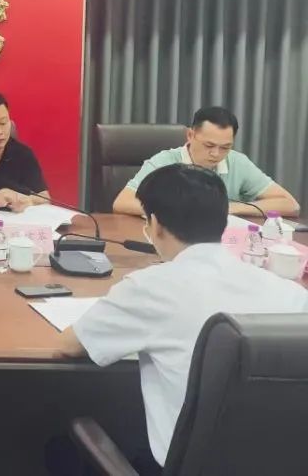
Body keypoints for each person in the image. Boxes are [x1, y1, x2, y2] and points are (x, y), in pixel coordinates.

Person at [56, 164, 308, 471]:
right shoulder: (290, 294)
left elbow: (70, 345)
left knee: (61, 450)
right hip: (281, 463)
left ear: (155, 225)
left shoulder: (150, 287)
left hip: (186, 466)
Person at [112, 106, 300, 217]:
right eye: (209, 145)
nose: (216, 154)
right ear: (190, 135)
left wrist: (229, 208)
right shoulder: (165, 161)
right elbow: (122, 202)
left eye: (225, 147)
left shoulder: (237, 162)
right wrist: (178, 211)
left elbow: (290, 204)